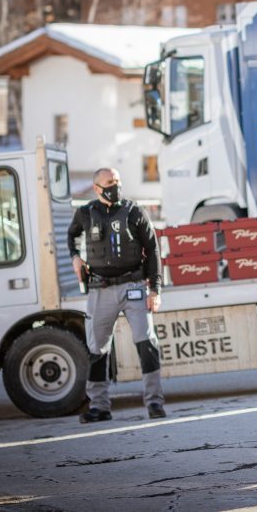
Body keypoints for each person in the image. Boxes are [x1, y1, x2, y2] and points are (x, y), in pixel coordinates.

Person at [68, 168, 166, 423]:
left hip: (133, 285)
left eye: (118, 181)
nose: (116, 186)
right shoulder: (86, 213)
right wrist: (76, 257)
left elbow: (153, 250)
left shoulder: (134, 211)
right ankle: (99, 407)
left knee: (146, 341)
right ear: (97, 188)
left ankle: (155, 402)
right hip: (100, 289)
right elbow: (71, 235)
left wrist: (155, 289)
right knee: (97, 348)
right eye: (110, 182)